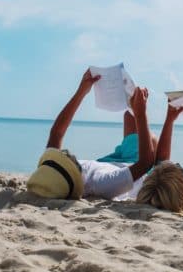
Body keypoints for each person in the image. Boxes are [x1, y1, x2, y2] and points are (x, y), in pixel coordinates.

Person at [26, 69, 155, 200]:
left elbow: (56, 133)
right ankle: (171, 115)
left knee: (129, 113)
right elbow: (145, 163)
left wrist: (82, 91)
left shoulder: (52, 169)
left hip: (108, 162)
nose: (64, 154)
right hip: (136, 166)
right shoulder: (99, 184)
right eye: (65, 161)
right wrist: (141, 113)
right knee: (151, 140)